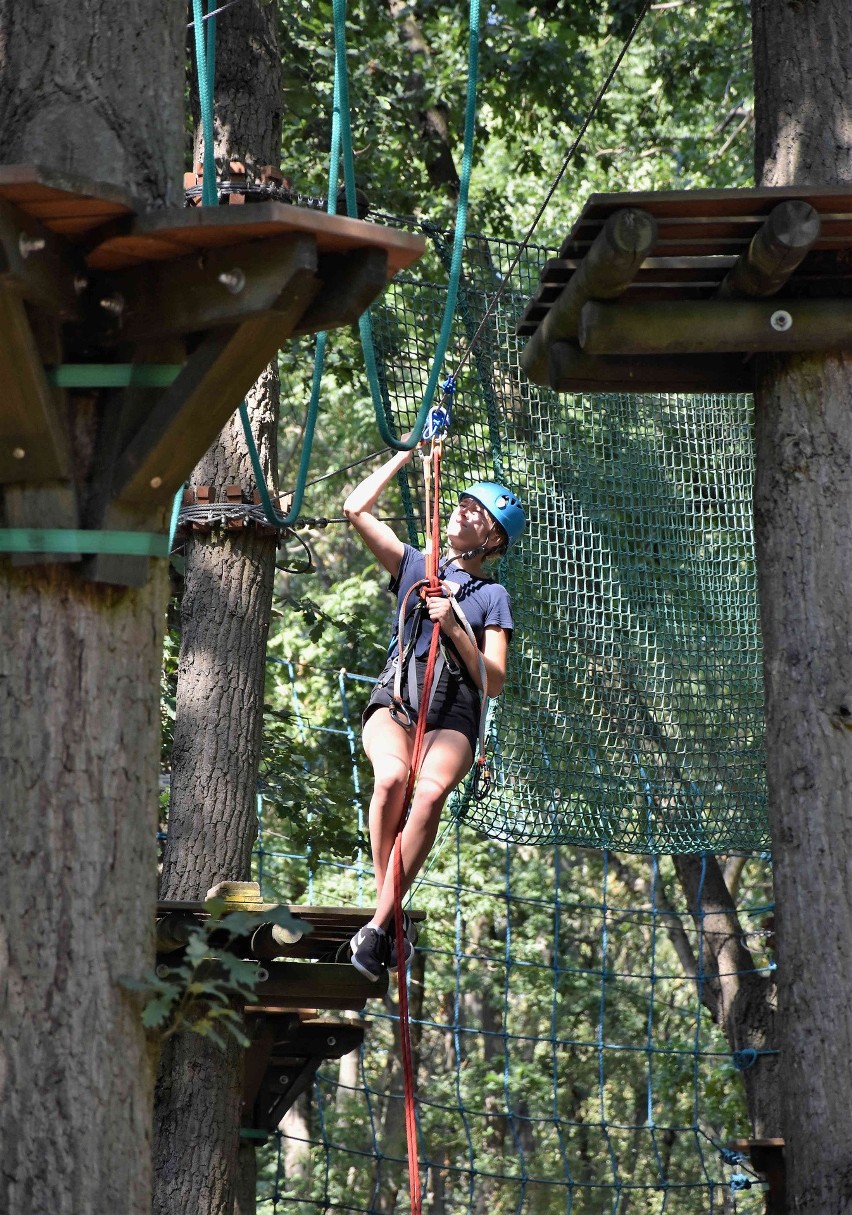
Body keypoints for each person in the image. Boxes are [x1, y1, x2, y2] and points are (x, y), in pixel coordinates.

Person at [342, 443, 525, 980]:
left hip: (454, 718)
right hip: (396, 703)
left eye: (473, 510)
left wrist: (453, 626)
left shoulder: (493, 597)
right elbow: (355, 509)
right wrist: (406, 454)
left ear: (492, 536)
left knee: (430, 792)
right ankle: (387, 920)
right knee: (391, 780)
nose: (458, 511)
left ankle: (378, 924)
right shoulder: (415, 566)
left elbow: (492, 681)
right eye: (458, 502)